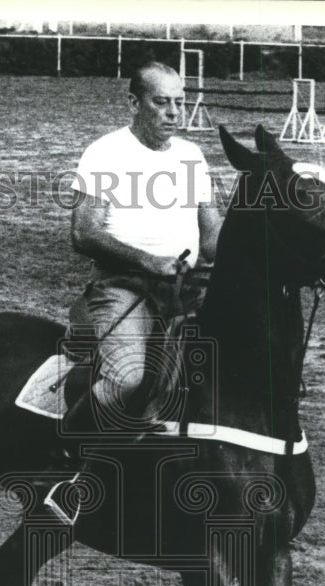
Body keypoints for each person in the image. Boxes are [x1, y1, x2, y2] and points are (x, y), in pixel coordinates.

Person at [64, 60, 222, 435]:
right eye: (161, 102)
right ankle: (68, 447)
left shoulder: (191, 155)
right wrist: (149, 262)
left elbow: (212, 237)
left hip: (183, 290)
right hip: (122, 287)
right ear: (134, 103)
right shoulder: (105, 153)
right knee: (129, 381)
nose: (173, 113)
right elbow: (83, 233)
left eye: (180, 102)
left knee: (197, 383)